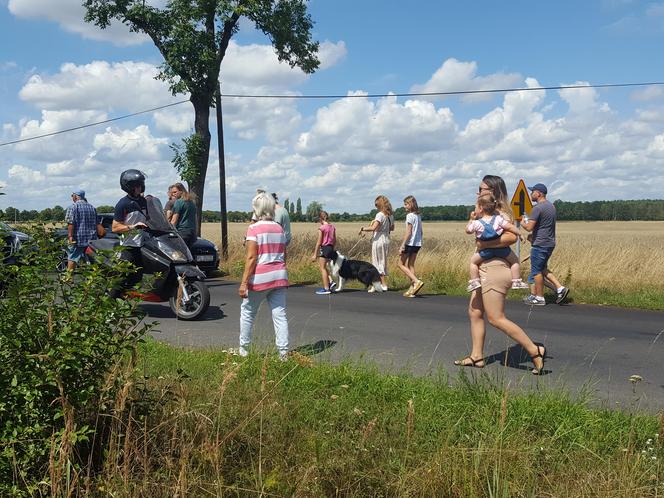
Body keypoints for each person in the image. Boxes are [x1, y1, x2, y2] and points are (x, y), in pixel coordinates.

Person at [455, 175, 546, 375]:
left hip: (495, 268)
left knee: (496, 318)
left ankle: (534, 351)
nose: (478, 193)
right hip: (484, 268)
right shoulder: (484, 211)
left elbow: (511, 237)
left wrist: (483, 244)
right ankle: (477, 356)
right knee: (475, 312)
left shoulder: (502, 213)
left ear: (493, 191)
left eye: (481, 189)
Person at [238, 191, 290, 360]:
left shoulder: (253, 228)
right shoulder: (279, 228)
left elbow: (252, 257)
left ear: (257, 208)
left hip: (260, 277)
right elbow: (284, 254)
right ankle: (283, 354)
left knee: (247, 312)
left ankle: (243, 350)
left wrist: (244, 282)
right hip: (279, 276)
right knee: (280, 315)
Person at [465, 193, 529, 292]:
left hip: (485, 252)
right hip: (502, 250)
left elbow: (468, 231)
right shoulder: (498, 219)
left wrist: (471, 219)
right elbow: (510, 227)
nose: (475, 209)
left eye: (476, 207)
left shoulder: (477, 223)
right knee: (515, 261)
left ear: (481, 208)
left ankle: (475, 281)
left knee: (473, 262)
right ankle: (516, 281)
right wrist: (520, 234)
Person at [521, 183, 569, 305]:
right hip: (549, 242)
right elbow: (544, 225)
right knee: (542, 268)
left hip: (540, 243)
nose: (531, 194)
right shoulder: (551, 206)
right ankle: (559, 288)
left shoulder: (537, 208)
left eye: (533, 192)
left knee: (536, 271)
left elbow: (529, 227)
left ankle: (540, 297)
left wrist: (522, 223)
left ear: (539, 193)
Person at [111, 170, 148, 297]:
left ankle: (125, 300)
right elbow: (115, 228)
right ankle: (111, 305)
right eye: (137, 185)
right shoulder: (123, 204)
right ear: (129, 187)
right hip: (128, 245)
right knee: (122, 277)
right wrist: (133, 227)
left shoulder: (143, 201)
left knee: (138, 276)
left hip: (143, 244)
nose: (140, 187)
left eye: (141, 184)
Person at [359, 195, 394, 291]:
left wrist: (363, 228)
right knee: (383, 261)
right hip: (386, 239)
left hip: (379, 240)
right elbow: (392, 228)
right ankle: (376, 284)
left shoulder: (380, 215)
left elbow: (373, 228)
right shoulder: (390, 215)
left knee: (377, 262)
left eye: (377, 205)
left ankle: (383, 284)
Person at [64, 189, 104, 271]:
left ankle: (69, 278)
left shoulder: (73, 207)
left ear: (76, 196)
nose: (72, 198)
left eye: (72, 196)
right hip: (92, 239)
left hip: (78, 239)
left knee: (72, 257)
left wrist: (70, 236)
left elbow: (71, 223)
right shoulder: (92, 207)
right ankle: (94, 278)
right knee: (92, 259)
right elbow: (97, 223)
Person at [398, 195, 424, 297]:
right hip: (417, 243)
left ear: (411, 204)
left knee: (400, 264)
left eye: (406, 204)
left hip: (410, 243)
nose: (404, 206)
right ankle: (412, 288)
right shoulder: (418, 216)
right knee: (411, 265)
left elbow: (408, 232)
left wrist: (402, 245)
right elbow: (421, 232)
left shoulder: (409, 216)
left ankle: (416, 281)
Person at [310, 210, 336, 295]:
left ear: (320, 219)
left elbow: (319, 242)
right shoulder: (332, 227)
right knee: (325, 266)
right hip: (331, 248)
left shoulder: (322, 228)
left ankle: (326, 288)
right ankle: (331, 281)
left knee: (322, 268)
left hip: (324, 248)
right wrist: (331, 250)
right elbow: (334, 240)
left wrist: (315, 254)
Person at [170, 182, 197, 249]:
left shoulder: (179, 202)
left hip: (182, 232)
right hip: (192, 233)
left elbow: (174, 220)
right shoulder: (191, 202)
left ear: (181, 191)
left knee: (179, 255)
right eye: (172, 192)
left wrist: (169, 231)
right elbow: (195, 219)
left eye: (175, 192)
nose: (173, 194)